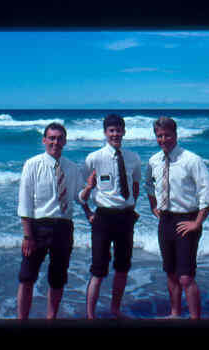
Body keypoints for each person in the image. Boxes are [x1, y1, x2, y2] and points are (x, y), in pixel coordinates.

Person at [145, 116, 209, 319]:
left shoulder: (191, 160)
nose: (163, 139)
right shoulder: (154, 160)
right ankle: (174, 314)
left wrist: (197, 222)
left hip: (187, 220)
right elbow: (149, 185)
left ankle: (195, 320)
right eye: (159, 136)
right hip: (165, 220)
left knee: (186, 277)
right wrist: (153, 206)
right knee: (170, 273)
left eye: (167, 135)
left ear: (175, 135)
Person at [16, 122, 86, 319]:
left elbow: (79, 196)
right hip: (38, 228)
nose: (56, 142)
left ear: (65, 141)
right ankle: (22, 320)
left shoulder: (72, 168)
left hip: (64, 227)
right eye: (52, 138)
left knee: (57, 280)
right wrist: (27, 235)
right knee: (26, 278)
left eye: (59, 138)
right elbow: (25, 201)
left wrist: (89, 191)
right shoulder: (32, 164)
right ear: (44, 140)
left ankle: (51, 319)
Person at [79, 113, 141, 319]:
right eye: (111, 130)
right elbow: (81, 192)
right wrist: (88, 212)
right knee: (98, 270)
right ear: (105, 133)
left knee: (123, 268)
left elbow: (135, 186)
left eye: (118, 130)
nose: (115, 134)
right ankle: (91, 316)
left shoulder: (133, 158)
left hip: (125, 218)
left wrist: (131, 206)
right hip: (103, 218)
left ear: (124, 131)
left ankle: (115, 310)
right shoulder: (94, 158)